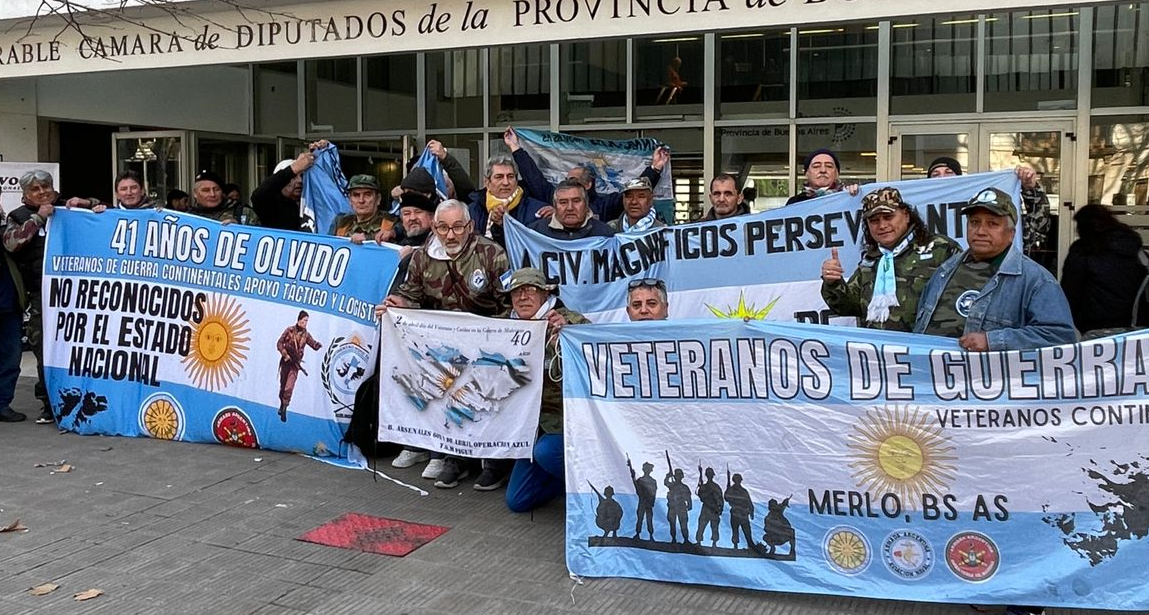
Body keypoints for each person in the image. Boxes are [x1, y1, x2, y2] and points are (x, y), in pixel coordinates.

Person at [381, 199, 510, 489]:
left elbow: (507, 304)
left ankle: (494, 462)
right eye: (442, 228)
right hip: (444, 345)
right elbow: (411, 295)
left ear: (470, 226)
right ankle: (455, 457)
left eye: (457, 227)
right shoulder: (422, 257)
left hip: (487, 342)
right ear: (434, 228)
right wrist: (396, 304)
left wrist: (493, 343)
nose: (450, 235)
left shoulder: (492, 254)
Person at [914, 187, 1075, 351]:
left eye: (992, 224)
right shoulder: (945, 270)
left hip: (983, 368)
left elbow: (1059, 336)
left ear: (1011, 233)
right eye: (974, 222)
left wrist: (993, 341)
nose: (981, 231)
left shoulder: (1036, 280)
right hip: (929, 365)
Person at [3, 170, 99, 424]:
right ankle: (49, 402)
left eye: (46, 186)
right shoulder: (18, 216)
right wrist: (38, 218)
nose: (42, 192)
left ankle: (82, 397)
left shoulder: (69, 208)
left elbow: (106, 210)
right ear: (25, 194)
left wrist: (87, 203)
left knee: (77, 347)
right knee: (45, 349)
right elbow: (11, 243)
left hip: (75, 294)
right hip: (40, 297)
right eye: (35, 189)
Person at [504, 267, 590, 510]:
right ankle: (561, 483)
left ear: (545, 294)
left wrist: (570, 334)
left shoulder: (567, 320)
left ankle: (590, 487)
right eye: (517, 292)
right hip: (529, 424)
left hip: (564, 421)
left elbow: (595, 352)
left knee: (546, 452)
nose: (523, 297)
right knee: (518, 501)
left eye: (530, 290)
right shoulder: (503, 326)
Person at [820, 187, 960, 331]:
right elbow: (848, 307)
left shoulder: (941, 249)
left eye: (888, 217)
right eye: (874, 221)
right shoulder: (871, 260)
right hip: (877, 344)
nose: (882, 226)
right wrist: (832, 282)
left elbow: (964, 300)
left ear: (906, 215)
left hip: (924, 343)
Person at [504, 126, 670, 223]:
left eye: (573, 180)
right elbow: (534, 178)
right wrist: (515, 148)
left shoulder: (605, 205)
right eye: (566, 180)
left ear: (588, 184)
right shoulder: (554, 197)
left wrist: (655, 168)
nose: (568, 185)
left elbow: (635, 191)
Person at [928, 157, 1051, 256]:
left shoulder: (982, 206)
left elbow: (1039, 226)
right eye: (935, 174)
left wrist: (1030, 189)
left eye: (949, 172)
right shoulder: (920, 215)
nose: (942, 178)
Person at [1060, 204, 1149, 338]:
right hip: (1136, 325)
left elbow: (1069, 291)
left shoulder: (1082, 250)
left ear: (1084, 227)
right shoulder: (1135, 249)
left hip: (1094, 326)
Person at [467, 155, 548, 245]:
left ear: (516, 181)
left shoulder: (538, 211)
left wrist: (503, 225)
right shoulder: (471, 211)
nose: (506, 182)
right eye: (499, 177)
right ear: (487, 182)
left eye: (510, 177)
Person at [252, 141, 325, 231]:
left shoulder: (311, 203)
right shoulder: (272, 206)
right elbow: (258, 196)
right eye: (293, 177)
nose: (300, 181)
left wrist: (323, 152)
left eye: (302, 176)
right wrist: (293, 169)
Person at [527, 179, 615, 240]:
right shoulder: (534, 233)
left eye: (576, 201)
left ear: (586, 204)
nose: (570, 208)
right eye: (563, 202)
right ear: (555, 206)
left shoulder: (605, 234)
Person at [276, 311, 322, 423]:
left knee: (289, 387)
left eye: (307, 321)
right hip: (286, 362)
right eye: (305, 320)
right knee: (283, 386)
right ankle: (282, 404)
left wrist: (317, 345)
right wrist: (285, 354)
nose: (306, 323)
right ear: (299, 320)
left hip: (295, 364)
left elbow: (312, 343)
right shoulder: (289, 330)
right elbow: (279, 343)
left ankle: (285, 407)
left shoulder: (306, 335)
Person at [330, 174, 397, 244]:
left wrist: (367, 238)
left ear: (378, 199)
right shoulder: (340, 223)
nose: (361, 200)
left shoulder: (391, 223)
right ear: (350, 200)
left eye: (367, 195)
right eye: (356, 195)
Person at [0, 247, 26, 422]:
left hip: (9, 306)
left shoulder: (8, 242)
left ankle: (2, 404)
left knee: (11, 358)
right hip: (8, 304)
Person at [784, 149, 859, 206]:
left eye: (829, 166)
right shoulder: (794, 203)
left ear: (836, 173)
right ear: (807, 174)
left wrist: (857, 196)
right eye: (816, 166)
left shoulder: (849, 197)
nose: (823, 170)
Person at [188, 171, 259, 225]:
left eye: (217, 190)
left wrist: (239, 229)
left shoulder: (243, 212)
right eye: (206, 190)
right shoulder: (188, 217)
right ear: (195, 193)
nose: (212, 194)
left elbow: (260, 235)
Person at [695, 466, 723, 548]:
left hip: (714, 509)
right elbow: (700, 496)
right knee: (701, 525)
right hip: (706, 508)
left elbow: (720, 498)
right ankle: (698, 541)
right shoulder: (704, 486)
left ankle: (714, 543)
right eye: (708, 474)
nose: (709, 475)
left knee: (714, 527)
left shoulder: (716, 487)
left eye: (710, 474)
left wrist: (720, 509)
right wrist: (701, 487)